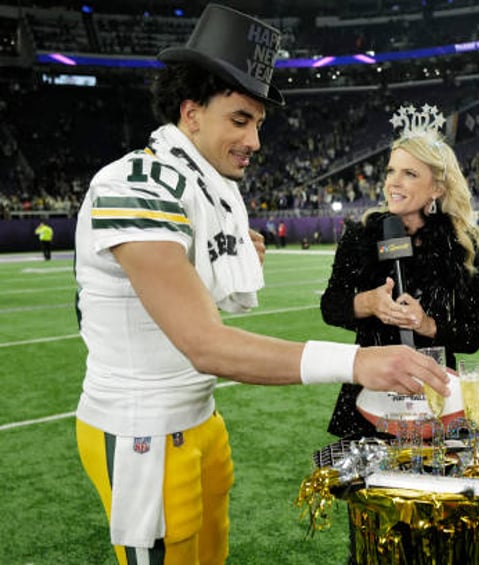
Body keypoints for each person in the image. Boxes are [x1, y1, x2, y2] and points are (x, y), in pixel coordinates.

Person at [72, 6, 448, 564]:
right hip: (142, 430)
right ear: (191, 114)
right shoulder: (135, 183)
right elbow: (204, 344)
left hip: (198, 418)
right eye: (240, 119)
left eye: (258, 123)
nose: (254, 140)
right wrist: (356, 364)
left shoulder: (202, 187)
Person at [321, 104, 479, 439]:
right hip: (373, 392)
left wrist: (427, 324)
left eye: (409, 174)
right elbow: (331, 306)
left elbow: (474, 334)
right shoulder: (360, 235)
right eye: (391, 171)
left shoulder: (461, 245)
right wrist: (369, 303)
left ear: (437, 188)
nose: (393, 183)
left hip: (437, 395)